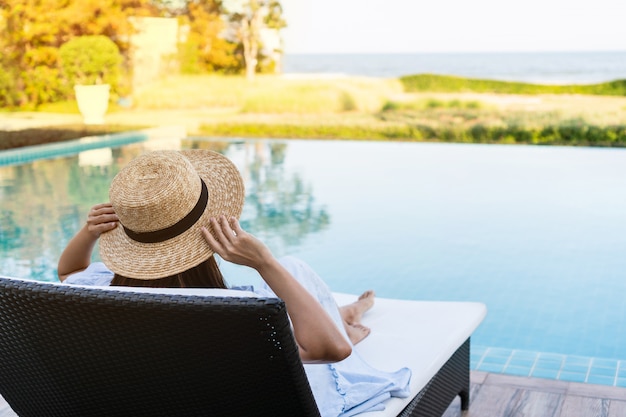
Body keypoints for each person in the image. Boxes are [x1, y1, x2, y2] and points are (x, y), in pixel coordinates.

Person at [58, 149, 410, 417]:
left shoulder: (101, 296)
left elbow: (67, 273)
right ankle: (344, 320)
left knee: (301, 297)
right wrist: (264, 263)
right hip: (270, 391)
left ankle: (342, 315)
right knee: (293, 269)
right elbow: (332, 350)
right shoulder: (234, 318)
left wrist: (88, 234)